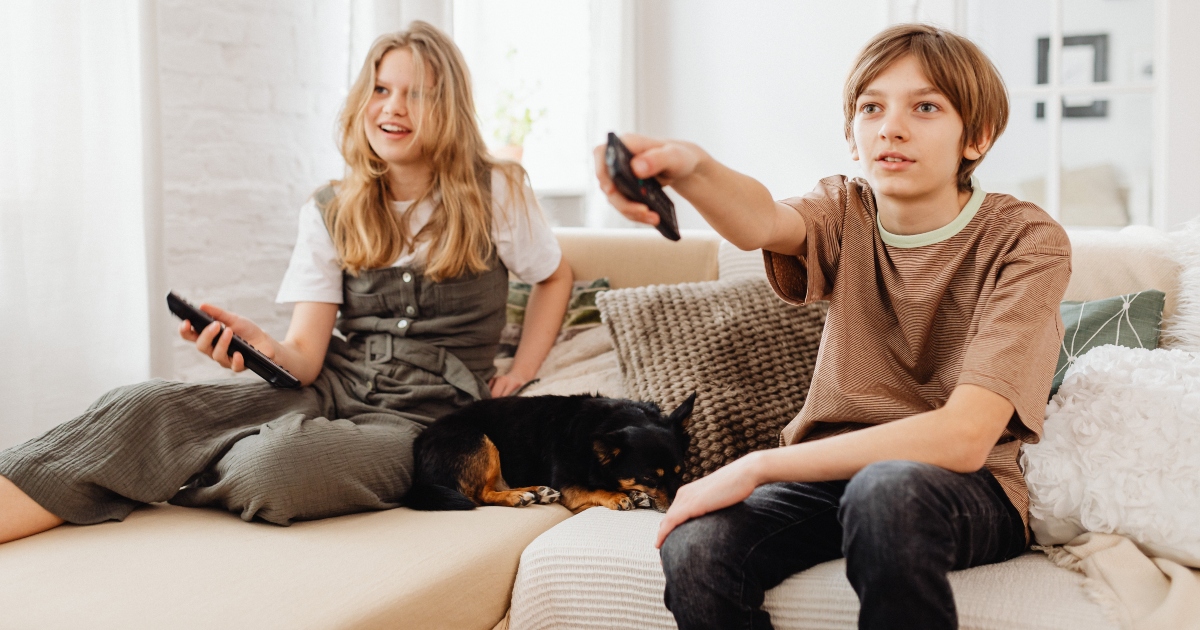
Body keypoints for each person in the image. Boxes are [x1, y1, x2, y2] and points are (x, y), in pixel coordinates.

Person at [0, 21, 572, 545]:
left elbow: (554, 275)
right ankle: (130, 458)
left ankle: (157, 461)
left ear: (449, 107)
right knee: (144, 405)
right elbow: (304, 356)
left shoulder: (495, 192)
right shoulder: (331, 207)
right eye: (379, 89)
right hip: (334, 383)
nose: (392, 108)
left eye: (416, 93)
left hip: (427, 417)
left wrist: (522, 369)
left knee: (273, 469)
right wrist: (262, 348)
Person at [595, 24, 1070, 630]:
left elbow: (964, 436)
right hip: (830, 477)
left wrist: (755, 464)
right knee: (698, 544)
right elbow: (760, 221)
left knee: (886, 492)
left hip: (964, 488)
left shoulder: (1026, 240)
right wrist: (688, 165)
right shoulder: (845, 212)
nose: (890, 127)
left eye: (925, 107)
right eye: (871, 107)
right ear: (852, 135)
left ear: (976, 136)